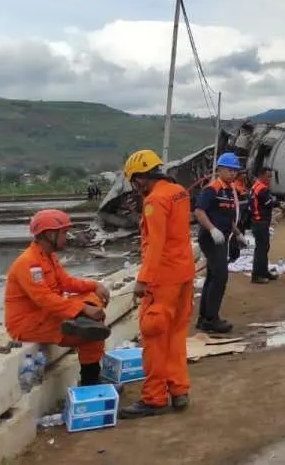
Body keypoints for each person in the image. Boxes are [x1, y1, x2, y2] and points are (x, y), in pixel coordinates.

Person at [119, 149, 196, 419]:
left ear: (141, 178)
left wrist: (143, 280)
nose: (136, 187)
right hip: (184, 273)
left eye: (134, 181)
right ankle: (179, 390)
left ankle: (154, 398)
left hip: (163, 279)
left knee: (153, 336)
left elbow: (155, 245)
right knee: (176, 335)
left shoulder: (154, 201)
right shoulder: (178, 192)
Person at [4, 209, 111, 386]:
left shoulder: (48, 257)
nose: (66, 237)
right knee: (94, 334)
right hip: (28, 324)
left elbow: (66, 282)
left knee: (91, 297)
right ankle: (90, 382)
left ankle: (79, 323)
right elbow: (44, 299)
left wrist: (95, 285)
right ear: (49, 235)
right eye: (63, 233)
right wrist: (83, 309)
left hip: (48, 314)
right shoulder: (28, 263)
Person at [193, 152, 241, 333]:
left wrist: (237, 234)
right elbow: (199, 212)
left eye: (235, 171)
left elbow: (227, 216)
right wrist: (212, 229)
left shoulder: (229, 190)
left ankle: (204, 318)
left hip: (222, 237)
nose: (233, 174)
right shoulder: (213, 188)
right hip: (211, 238)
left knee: (213, 276)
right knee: (220, 276)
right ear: (219, 169)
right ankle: (211, 319)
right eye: (229, 170)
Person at [249, 167, 278, 284]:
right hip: (260, 222)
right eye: (268, 176)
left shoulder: (255, 186)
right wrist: (276, 201)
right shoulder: (262, 189)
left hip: (257, 221)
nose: (270, 179)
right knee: (261, 249)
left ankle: (263, 271)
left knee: (263, 248)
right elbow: (269, 203)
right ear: (262, 176)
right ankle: (257, 275)